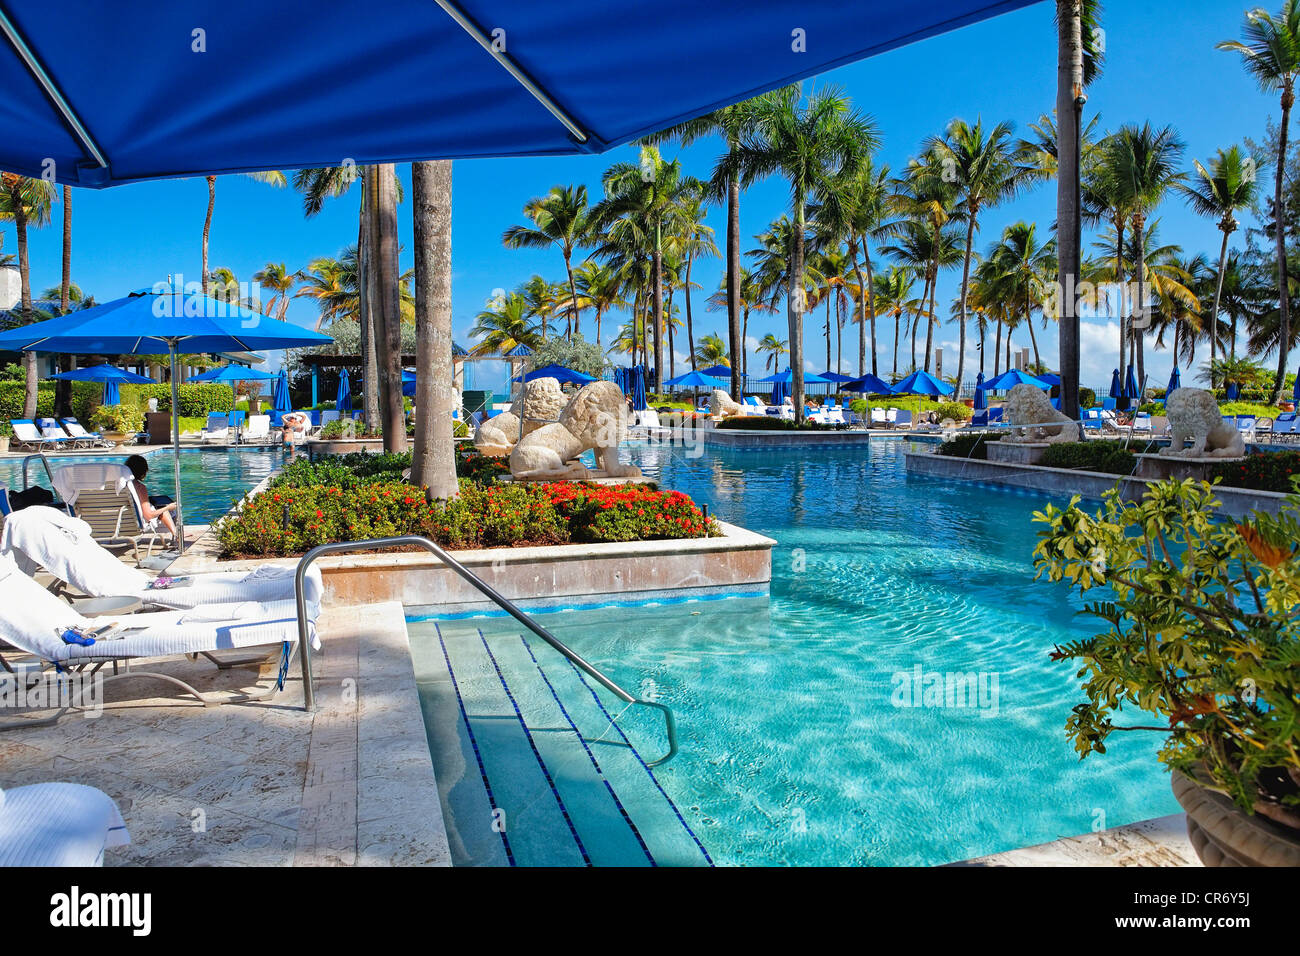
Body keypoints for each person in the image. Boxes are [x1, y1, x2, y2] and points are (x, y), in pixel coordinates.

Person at [124, 454, 179, 547]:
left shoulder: (117, 487)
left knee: (157, 505)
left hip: (119, 522)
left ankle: (176, 534)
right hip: (136, 523)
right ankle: (176, 535)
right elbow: (148, 515)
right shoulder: (140, 487)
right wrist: (168, 507)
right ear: (142, 471)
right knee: (165, 507)